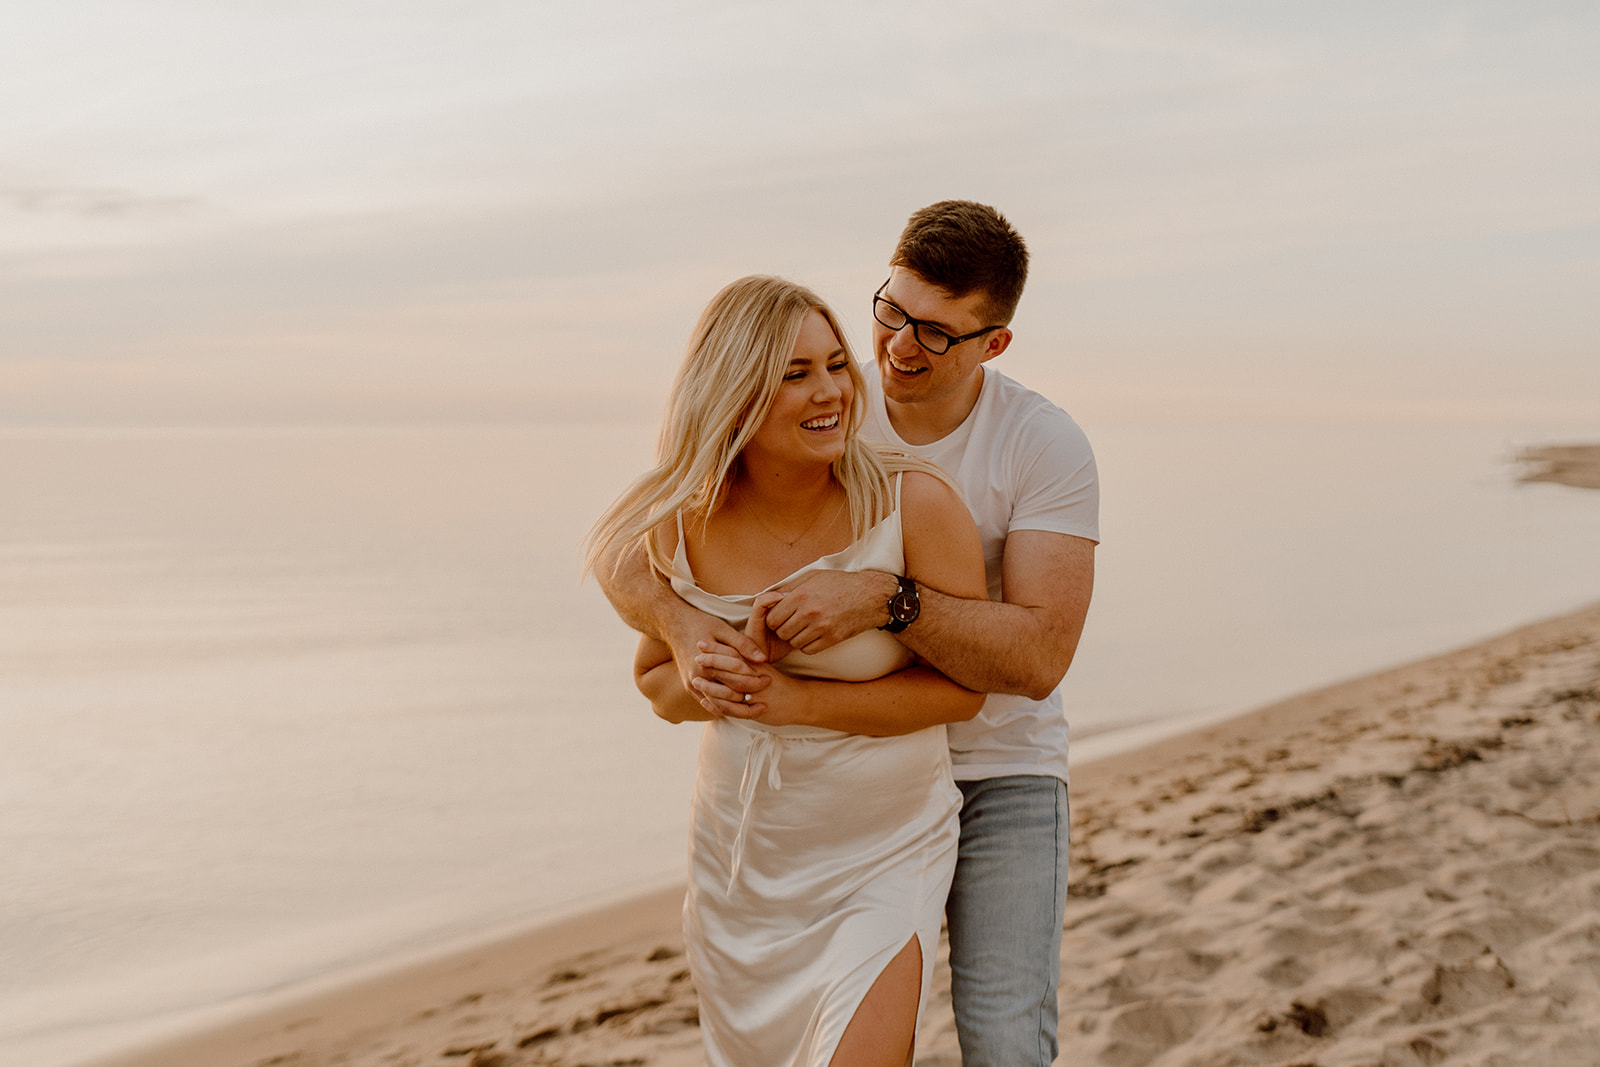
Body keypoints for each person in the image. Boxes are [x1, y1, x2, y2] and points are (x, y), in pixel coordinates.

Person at [598, 202, 1099, 1066]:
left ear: (993, 344)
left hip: (997, 764)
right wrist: (684, 629)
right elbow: (627, 548)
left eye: (938, 332)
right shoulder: (826, 410)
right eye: (891, 311)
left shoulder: (1040, 444)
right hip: (796, 814)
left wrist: (883, 600)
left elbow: (1039, 659)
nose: (899, 346)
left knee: (1007, 1036)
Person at [585, 274, 989, 1067]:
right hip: (744, 872)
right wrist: (704, 670)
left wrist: (792, 697)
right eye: (795, 373)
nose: (832, 391)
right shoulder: (682, 524)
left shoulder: (915, 503)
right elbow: (658, 686)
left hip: (882, 854)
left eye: (836, 364)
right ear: (735, 393)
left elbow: (963, 694)